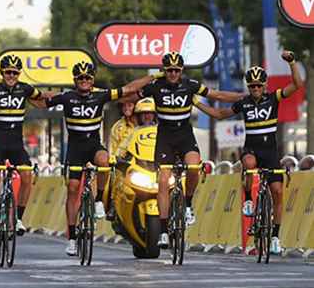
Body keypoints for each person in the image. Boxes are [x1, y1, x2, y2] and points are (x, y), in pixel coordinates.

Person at [193, 50, 302, 255]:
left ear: (265, 85)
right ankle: (249, 199)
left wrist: (292, 62)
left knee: (278, 192)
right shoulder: (243, 102)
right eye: (252, 86)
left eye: (259, 85)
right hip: (251, 148)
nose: (255, 89)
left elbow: (296, 85)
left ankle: (276, 237)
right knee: (249, 164)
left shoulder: (274, 98)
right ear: (248, 86)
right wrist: (196, 103)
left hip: (270, 152)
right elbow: (219, 114)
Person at [40, 61, 154, 256]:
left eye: (88, 78)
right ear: (75, 81)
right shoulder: (67, 97)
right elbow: (40, 100)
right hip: (75, 149)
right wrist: (22, 92)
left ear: (92, 80)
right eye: (81, 78)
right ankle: (73, 238)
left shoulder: (100, 95)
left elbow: (128, 89)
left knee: (105, 160)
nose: (84, 81)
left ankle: (100, 199)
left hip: (93, 145)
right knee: (73, 189)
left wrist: (152, 77)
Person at [135, 52, 242, 250]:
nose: (173, 74)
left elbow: (217, 95)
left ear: (182, 70)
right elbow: (132, 92)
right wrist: (152, 77)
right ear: (164, 71)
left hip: (185, 136)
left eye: (177, 70)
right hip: (165, 138)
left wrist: (244, 96)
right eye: (169, 71)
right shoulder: (155, 87)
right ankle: (164, 231)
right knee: (163, 181)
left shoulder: (190, 85)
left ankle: (188, 204)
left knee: (193, 167)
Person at [0, 54, 47, 246]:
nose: (11, 76)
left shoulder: (25, 89)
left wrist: (67, 98)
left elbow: (43, 98)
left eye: (15, 73)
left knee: (26, 177)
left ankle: (19, 218)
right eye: (8, 72)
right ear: (2, 73)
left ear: (19, 73)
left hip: (16, 145)